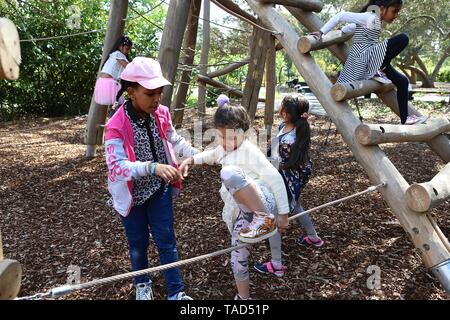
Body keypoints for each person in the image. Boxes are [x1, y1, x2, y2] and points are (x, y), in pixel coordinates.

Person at [104, 57, 199, 300]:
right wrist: (153, 167)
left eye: (159, 92)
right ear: (131, 92)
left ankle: (176, 292)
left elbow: (174, 140)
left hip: (159, 190)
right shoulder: (115, 125)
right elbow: (117, 167)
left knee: (166, 240)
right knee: (138, 244)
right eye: (150, 93)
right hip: (132, 195)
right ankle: (142, 283)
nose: (156, 99)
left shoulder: (162, 113)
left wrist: (199, 156)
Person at [179, 104, 290, 300]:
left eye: (229, 137)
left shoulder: (250, 151)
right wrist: (190, 160)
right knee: (237, 260)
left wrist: (283, 214)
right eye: (220, 136)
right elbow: (211, 155)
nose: (223, 142)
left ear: (243, 133)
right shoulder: (223, 148)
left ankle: (264, 218)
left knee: (228, 173)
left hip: (261, 201)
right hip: (243, 214)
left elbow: (275, 178)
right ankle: (244, 299)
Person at [310, 0, 427, 125]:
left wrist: (343, 30)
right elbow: (341, 15)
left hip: (372, 59)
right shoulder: (369, 17)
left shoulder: (374, 20)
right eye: (394, 11)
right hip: (364, 60)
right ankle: (379, 67)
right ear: (382, 8)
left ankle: (405, 119)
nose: (396, 15)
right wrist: (321, 32)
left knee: (403, 81)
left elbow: (353, 27)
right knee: (403, 38)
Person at [94, 36, 132, 108]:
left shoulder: (113, 54)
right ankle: (115, 118)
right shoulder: (118, 54)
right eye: (127, 49)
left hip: (102, 82)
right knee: (119, 106)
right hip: (110, 83)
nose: (128, 51)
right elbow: (128, 67)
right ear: (121, 47)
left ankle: (113, 117)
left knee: (116, 105)